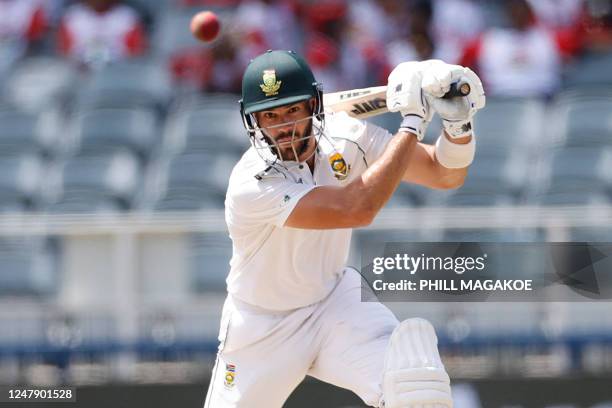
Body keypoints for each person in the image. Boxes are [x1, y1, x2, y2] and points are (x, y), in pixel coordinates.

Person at [203, 50, 485, 407]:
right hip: (262, 325)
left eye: (292, 110)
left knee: (414, 384)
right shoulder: (251, 184)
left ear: (313, 106)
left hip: (334, 303)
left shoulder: (348, 137)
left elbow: (443, 174)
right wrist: (412, 123)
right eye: (270, 116)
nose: (283, 126)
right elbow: (356, 207)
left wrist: (458, 125)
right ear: (253, 121)